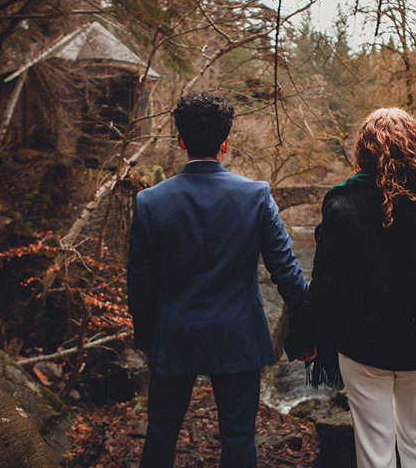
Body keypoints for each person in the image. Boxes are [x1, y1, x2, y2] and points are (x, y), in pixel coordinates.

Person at [290, 108, 416, 468]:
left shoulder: (341, 203)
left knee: (374, 448)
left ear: (363, 150)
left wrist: (305, 338)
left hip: (363, 347)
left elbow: (326, 288)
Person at [127, 91, 310, 468]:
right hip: (238, 334)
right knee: (239, 435)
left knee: (161, 432)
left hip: (174, 333)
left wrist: (145, 337)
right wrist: (308, 327)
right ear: (225, 143)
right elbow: (287, 272)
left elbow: (140, 283)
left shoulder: (149, 202)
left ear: (180, 141)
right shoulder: (256, 196)